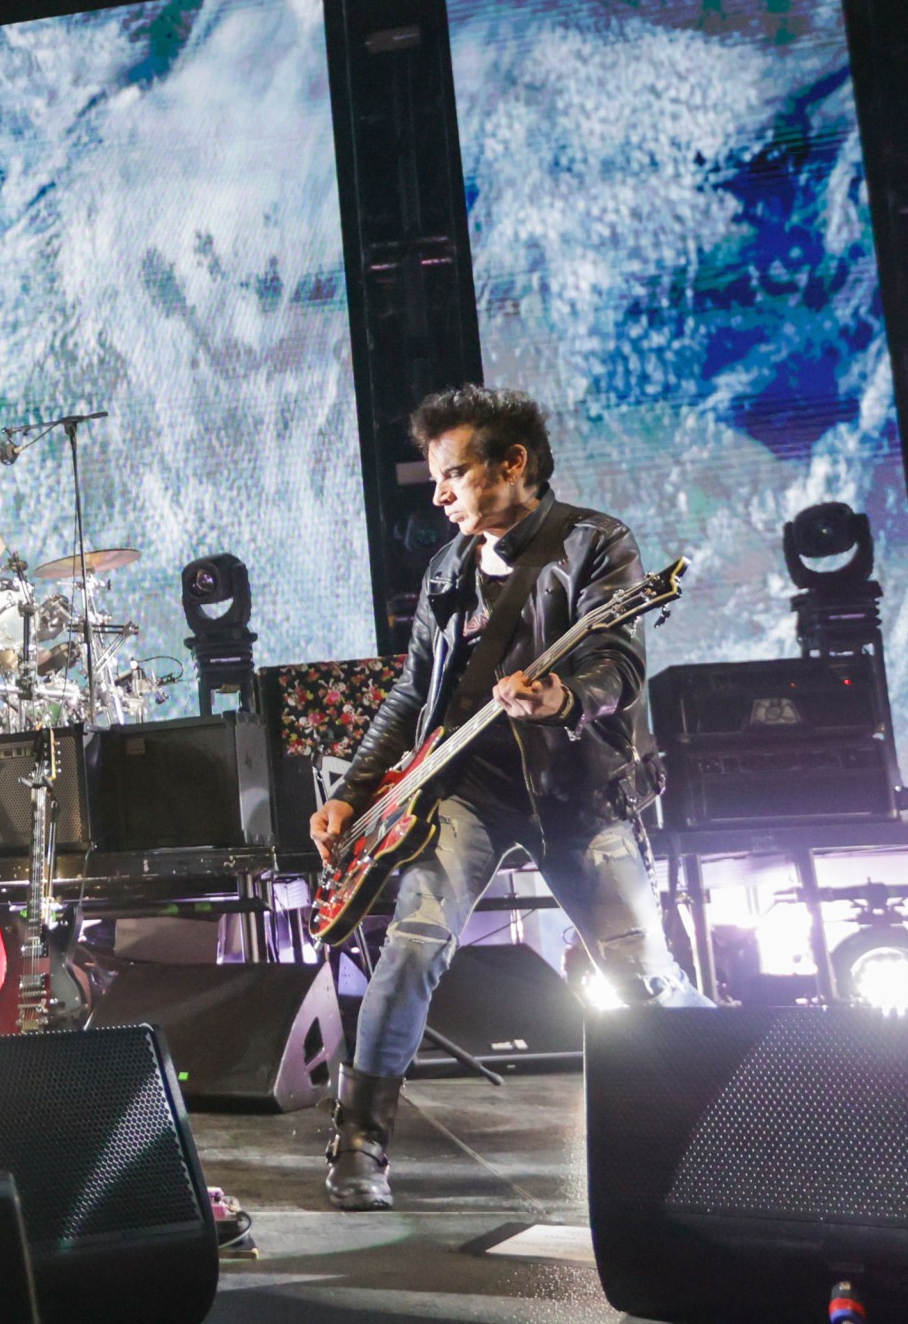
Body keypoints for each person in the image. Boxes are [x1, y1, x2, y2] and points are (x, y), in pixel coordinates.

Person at [310, 387, 710, 1211]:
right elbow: (410, 693)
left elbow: (620, 668)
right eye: (437, 478)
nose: (440, 494)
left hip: (580, 791)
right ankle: (358, 1144)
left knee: (640, 972)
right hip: (465, 793)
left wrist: (560, 698)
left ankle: (692, 1135)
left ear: (513, 464)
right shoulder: (448, 568)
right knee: (411, 948)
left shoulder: (598, 544)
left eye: (455, 474)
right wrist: (351, 795)